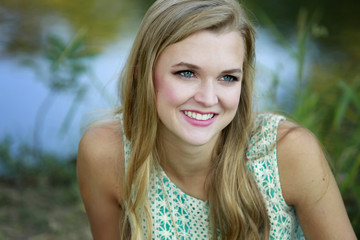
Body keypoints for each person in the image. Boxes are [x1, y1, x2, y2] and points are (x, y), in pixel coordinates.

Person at [77, 0, 357, 239]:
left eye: (227, 77)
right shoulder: (107, 153)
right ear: (142, 73)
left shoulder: (287, 153)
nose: (209, 98)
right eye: (187, 73)